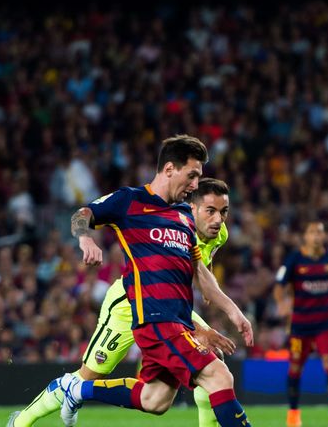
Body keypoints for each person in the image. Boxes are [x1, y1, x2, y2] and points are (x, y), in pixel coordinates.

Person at [8, 177, 236, 427]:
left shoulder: (219, 234)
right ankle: (21, 421)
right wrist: (201, 328)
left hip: (169, 310)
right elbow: (155, 286)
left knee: (210, 361)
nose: (218, 220)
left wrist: (207, 285)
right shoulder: (166, 223)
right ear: (193, 208)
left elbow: (201, 263)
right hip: (128, 302)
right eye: (211, 211)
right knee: (89, 375)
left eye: (223, 212)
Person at [60, 135, 252, 427]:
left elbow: (201, 273)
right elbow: (81, 214)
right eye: (192, 176)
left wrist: (233, 311)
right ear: (170, 169)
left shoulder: (186, 216)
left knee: (155, 400)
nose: (195, 186)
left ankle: (78, 389)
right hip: (155, 320)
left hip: (179, 321)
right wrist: (85, 238)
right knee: (219, 375)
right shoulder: (130, 200)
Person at [274, 221, 328, 426]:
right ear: (305, 236)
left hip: (325, 323)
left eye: (320, 232)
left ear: (324, 236)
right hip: (300, 326)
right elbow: (279, 285)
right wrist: (282, 303)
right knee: (295, 366)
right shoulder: (295, 260)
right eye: (312, 232)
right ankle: (294, 414)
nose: (316, 236)